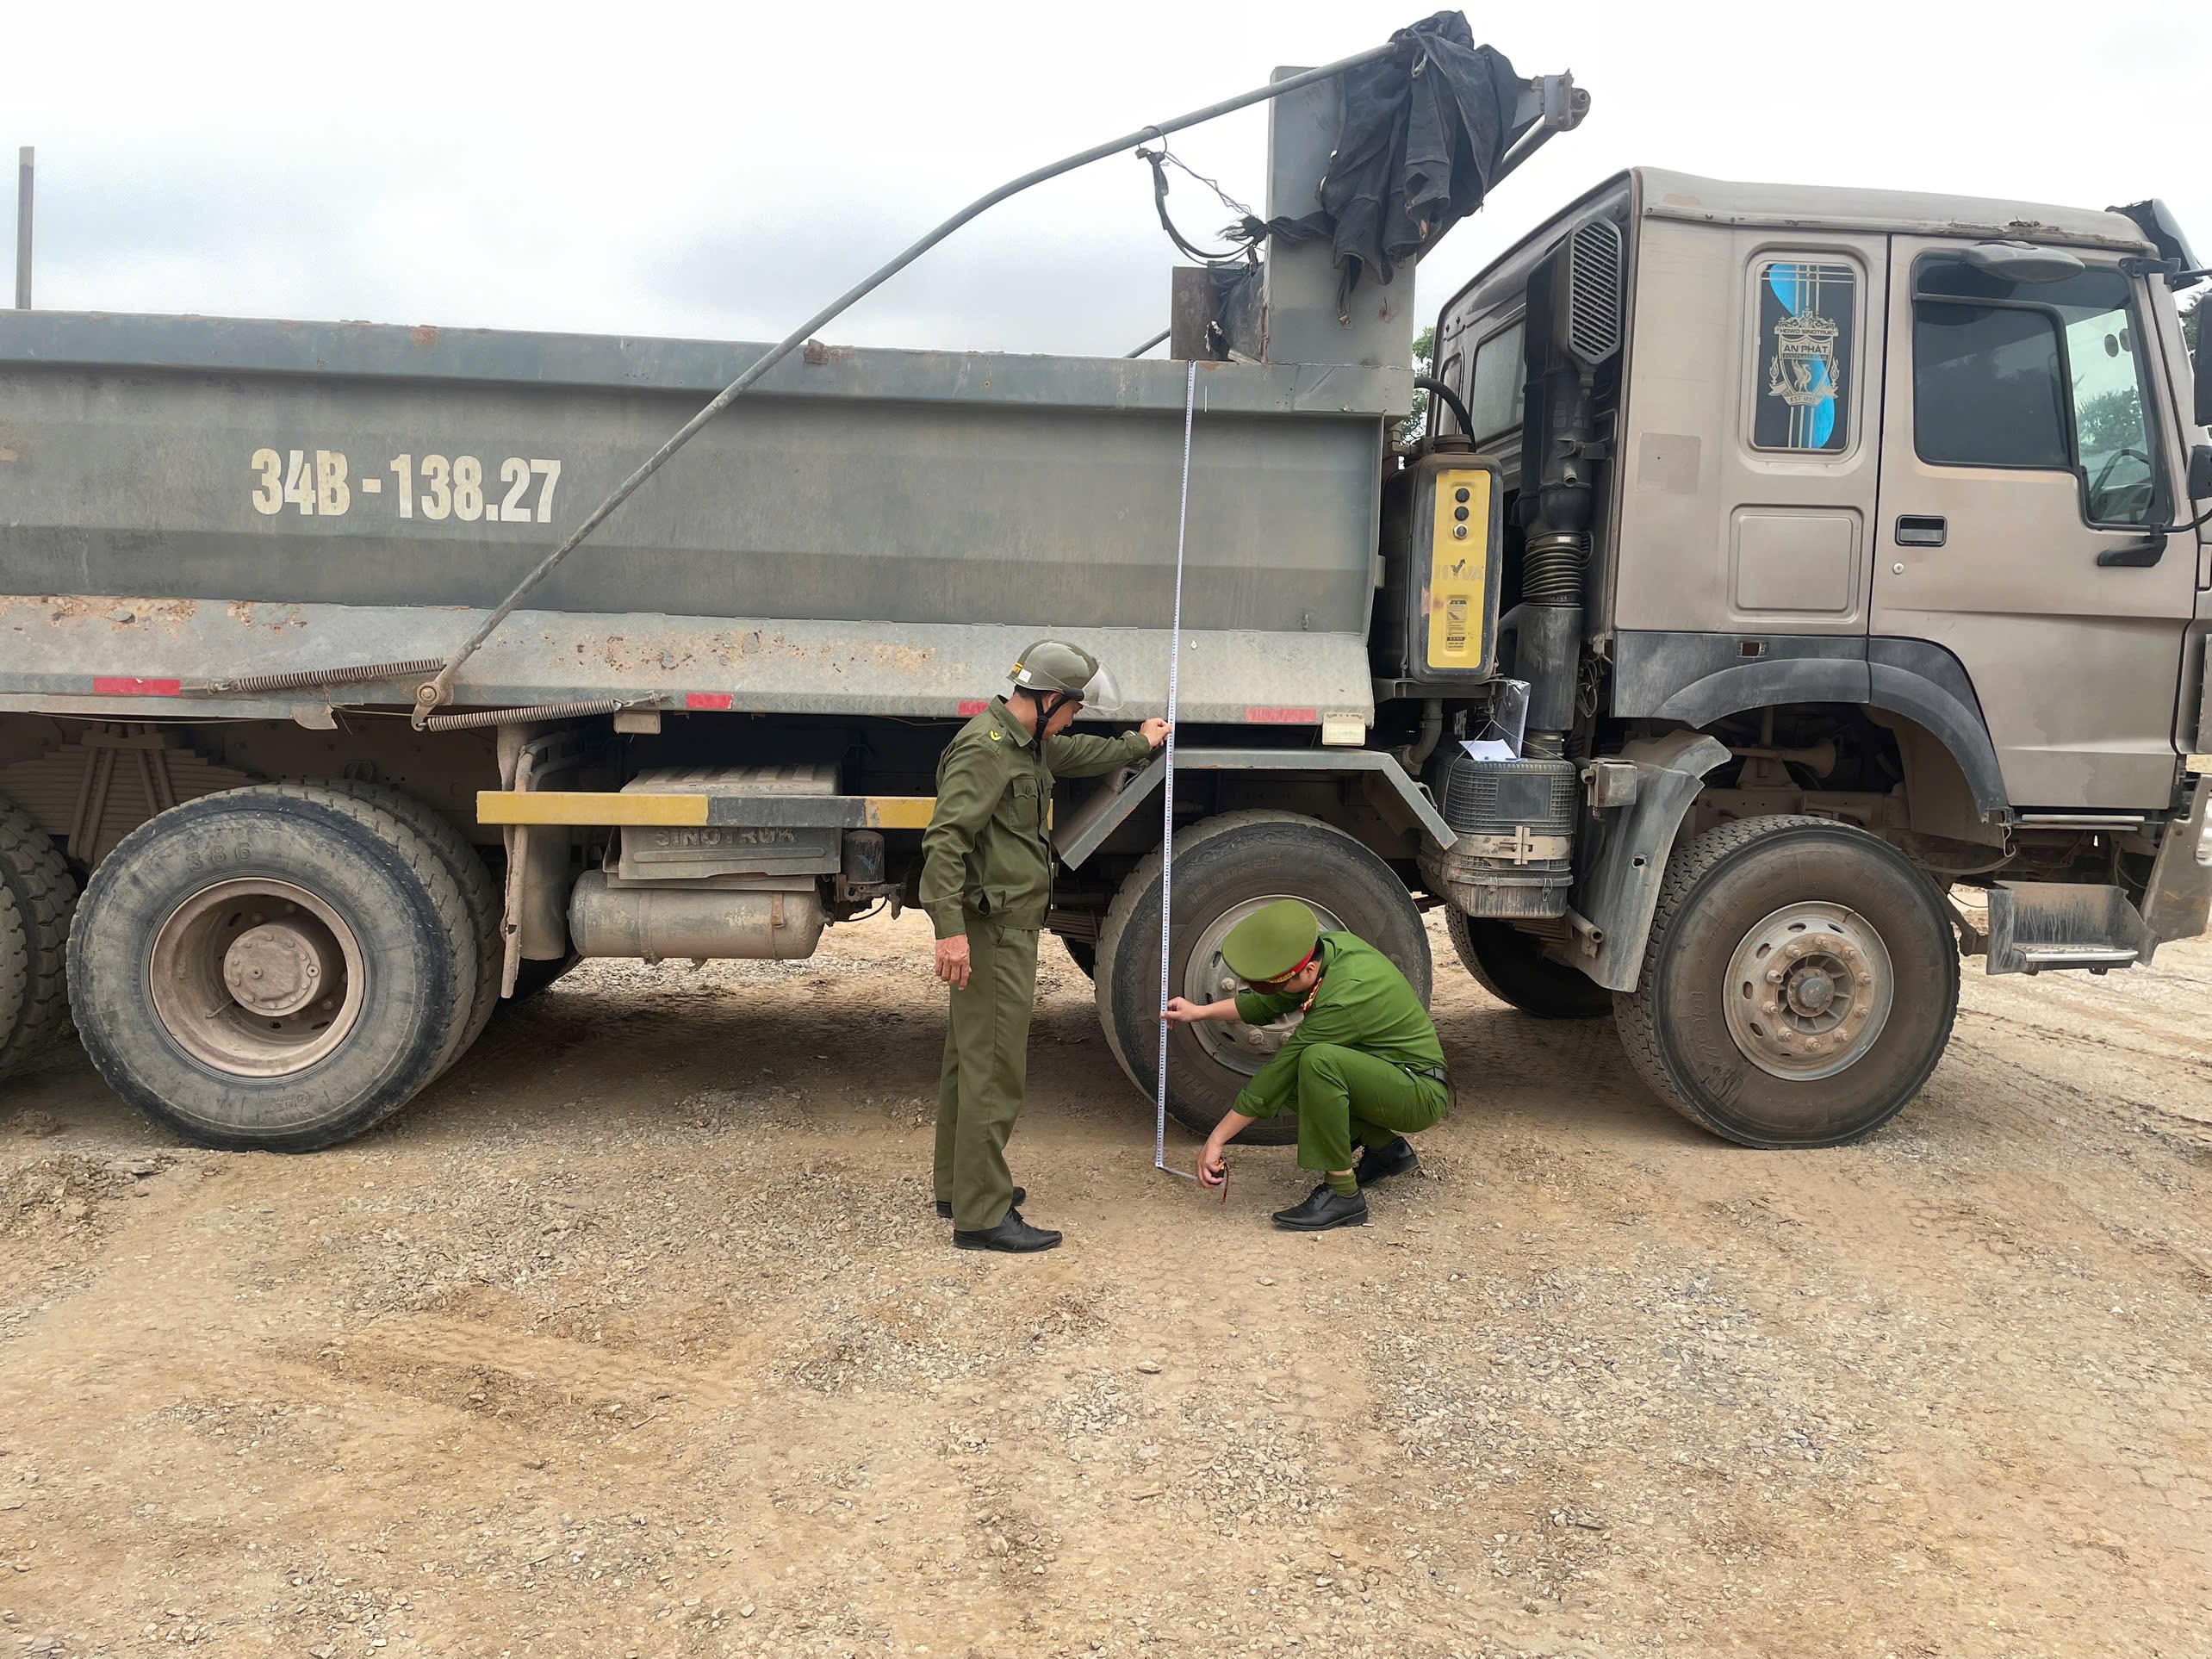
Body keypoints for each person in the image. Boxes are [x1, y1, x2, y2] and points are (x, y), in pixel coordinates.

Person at [922, 639, 1169, 1253]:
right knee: (994, 1068)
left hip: (1005, 924)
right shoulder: (986, 750)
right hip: (993, 931)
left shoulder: (1026, 743)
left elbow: (1079, 754)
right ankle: (982, 1216)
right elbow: (945, 842)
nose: (1073, 721)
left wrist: (1139, 743)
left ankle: (960, 1187)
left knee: (968, 1060)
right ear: (1050, 698)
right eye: (1073, 709)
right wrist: (949, 931)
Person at [1165, 898, 1447, 1232]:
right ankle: (1386, 1150)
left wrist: (1216, 1140)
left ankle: (1343, 1195)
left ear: (1308, 970)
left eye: (1279, 983)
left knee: (1315, 1063)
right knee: (1303, 1073)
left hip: (1419, 1093)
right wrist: (1199, 1012)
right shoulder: (1325, 950)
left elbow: (1280, 1072)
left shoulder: (1345, 995)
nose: (1276, 991)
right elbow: (1264, 1005)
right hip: (1391, 1075)